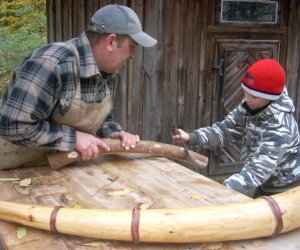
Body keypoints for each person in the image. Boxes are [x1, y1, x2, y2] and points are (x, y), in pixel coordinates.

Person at [0, 4, 157, 169]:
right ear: (111, 41)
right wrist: (73, 138)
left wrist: (112, 132)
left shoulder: (107, 72)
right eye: (131, 47)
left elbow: (96, 117)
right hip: (9, 169)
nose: (132, 56)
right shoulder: (52, 63)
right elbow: (12, 125)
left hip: (54, 167)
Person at [172, 59, 300, 198]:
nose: (246, 99)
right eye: (245, 92)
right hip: (266, 183)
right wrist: (192, 137)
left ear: (271, 97)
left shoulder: (280, 127)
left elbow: (259, 169)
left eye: (254, 96)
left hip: (288, 188)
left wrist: (225, 188)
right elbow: (226, 130)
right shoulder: (249, 106)